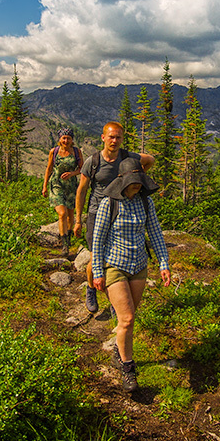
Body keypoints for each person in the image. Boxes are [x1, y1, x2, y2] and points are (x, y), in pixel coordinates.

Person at [91, 156, 170, 392]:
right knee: (126, 319)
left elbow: (155, 232)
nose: (137, 187)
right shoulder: (109, 203)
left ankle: (119, 349)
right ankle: (128, 369)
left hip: (139, 266)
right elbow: (98, 239)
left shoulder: (145, 203)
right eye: (133, 183)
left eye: (139, 183)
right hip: (114, 266)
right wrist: (97, 271)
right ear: (123, 181)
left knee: (129, 317)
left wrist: (163, 263)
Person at [74, 122, 154, 314]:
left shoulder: (127, 158)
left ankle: (116, 295)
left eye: (118, 137)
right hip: (97, 213)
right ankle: (91, 288)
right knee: (96, 257)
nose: (114, 141)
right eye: (111, 137)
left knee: (119, 255)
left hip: (121, 211)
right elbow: (82, 190)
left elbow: (150, 159)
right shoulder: (93, 161)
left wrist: (137, 180)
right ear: (103, 138)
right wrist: (78, 219)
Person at [42, 128, 82, 254]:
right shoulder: (54, 152)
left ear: (72, 140)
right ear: (60, 139)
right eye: (63, 138)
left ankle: (68, 238)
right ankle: (64, 245)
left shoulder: (76, 152)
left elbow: (82, 169)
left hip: (71, 186)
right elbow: (49, 169)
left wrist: (72, 173)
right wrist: (44, 186)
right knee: (62, 213)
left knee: (70, 216)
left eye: (68, 138)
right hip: (56, 184)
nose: (66, 140)